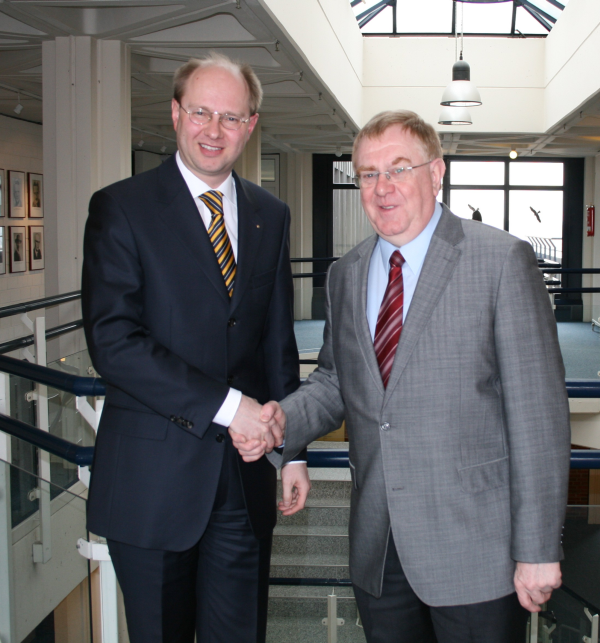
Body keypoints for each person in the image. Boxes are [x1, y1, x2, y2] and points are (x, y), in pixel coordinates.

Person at [252, 110, 571, 643]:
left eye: (399, 169)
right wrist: (281, 421)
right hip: (380, 549)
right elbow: (336, 381)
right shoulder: (346, 273)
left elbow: (538, 418)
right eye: (368, 174)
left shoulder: (500, 261)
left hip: (477, 553)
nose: (382, 188)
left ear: (437, 171)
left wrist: (537, 550)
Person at [82, 53, 310, 643]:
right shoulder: (122, 208)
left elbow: (276, 343)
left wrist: (296, 450)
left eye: (230, 117)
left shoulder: (271, 214)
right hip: (152, 486)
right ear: (177, 113)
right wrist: (233, 407)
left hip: (245, 479)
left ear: (250, 125)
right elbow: (114, 343)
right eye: (202, 112)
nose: (214, 130)